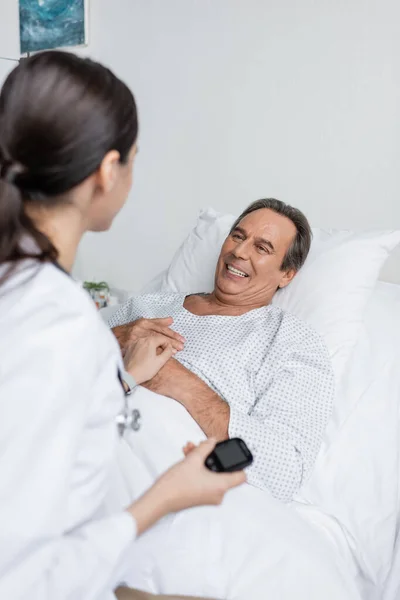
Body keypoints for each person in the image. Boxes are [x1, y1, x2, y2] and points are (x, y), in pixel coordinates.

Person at [0, 51, 245, 600]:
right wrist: (169, 496)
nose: (241, 253)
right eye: (133, 160)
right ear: (108, 170)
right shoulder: (56, 323)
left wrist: (122, 381)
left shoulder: (23, 286)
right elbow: (20, 576)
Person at [109, 199, 335, 502]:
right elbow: (55, 356)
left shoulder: (290, 341)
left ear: (287, 275)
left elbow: (284, 471)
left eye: (262, 248)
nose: (239, 252)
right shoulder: (149, 307)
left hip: (157, 470)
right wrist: (116, 336)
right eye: (238, 236)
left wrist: (181, 383)